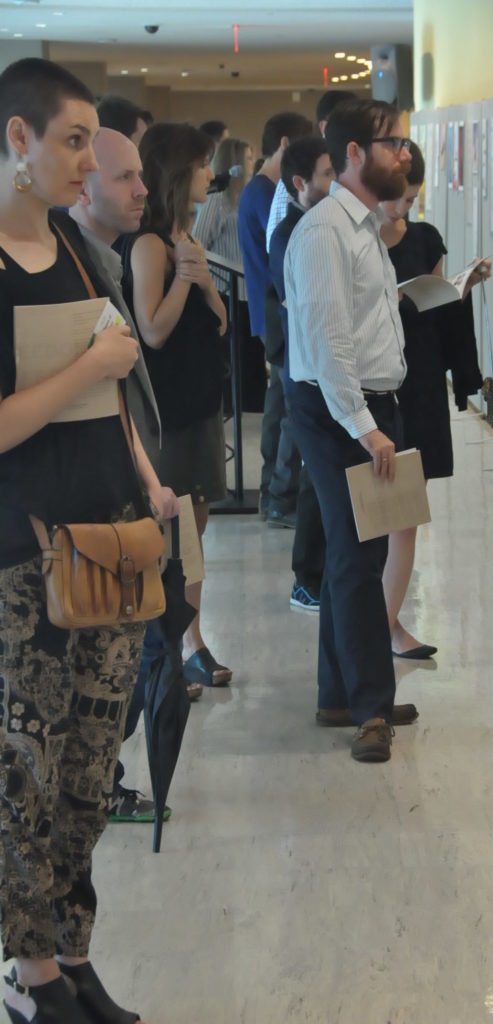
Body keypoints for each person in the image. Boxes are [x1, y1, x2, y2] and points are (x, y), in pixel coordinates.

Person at [0, 57, 150, 1023]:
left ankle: (75, 949)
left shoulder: (78, 249)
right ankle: (30, 974)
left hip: (111, 541)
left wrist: (147, 475)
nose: (87, 160)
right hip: (21, 558)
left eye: (92, 138)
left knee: (92, 774)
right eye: (72, 139)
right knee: (27, 777)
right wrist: (94, 361)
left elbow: (114, 387)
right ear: (18, 139)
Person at [284, 98, 419, 764]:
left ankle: (339, 692)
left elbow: (362, 321)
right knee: (359, 560)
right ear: (358, 153)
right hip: (339, 409)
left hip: (365, 405)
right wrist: (366, 428)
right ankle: (369, 707)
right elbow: (328, 341)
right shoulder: (325, 231)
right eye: (395, 143)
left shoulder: (363, 225)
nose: (405, 156)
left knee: (356, 552)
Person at [69, 127, 194, 828]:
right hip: (97, 510)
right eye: (124, 178)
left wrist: (149, 479)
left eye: (141, 176)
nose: (142, 190)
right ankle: (97, 784)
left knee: (133, 653)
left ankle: (101, 780)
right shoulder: (75, 269)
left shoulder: (99, 261)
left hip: (132, 493)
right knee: (117, 661)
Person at [119, 122, 232, 689]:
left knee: (196, 526)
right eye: (202, 165)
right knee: (171, 532)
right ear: (178, 173)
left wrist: (204, 280)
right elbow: (153, 331)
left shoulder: (187, 240)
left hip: (202, 404)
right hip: (167, 414)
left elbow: (221, 322)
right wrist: (186, 278)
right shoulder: (147, 245)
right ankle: (167, 647)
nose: (210, 175)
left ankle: (190, 638)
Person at [380, 141, 488, 658]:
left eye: (412, 200)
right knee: (382, 510)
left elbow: (439, 306)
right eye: (398, 201)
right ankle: (379, 627)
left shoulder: (425, 238)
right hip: (380, 380)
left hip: (420, 376)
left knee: (409, 511)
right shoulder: (355, 243)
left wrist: (461, 285)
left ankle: (389, 623)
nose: (405, 211)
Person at [269, 137, 335, 611]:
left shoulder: (318, 225)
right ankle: (306, 578)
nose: (334, 184)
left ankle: (320, 573)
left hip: (322, 367)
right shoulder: (290, 233)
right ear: (300, 182)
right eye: (328, 175)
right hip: (307, 372)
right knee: (315, 475)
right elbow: (298, 303)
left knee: (325, 475)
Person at [237, 111, 312, 524]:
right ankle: (280, 495)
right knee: (289, 411)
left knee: (279, 408)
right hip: (277, 314)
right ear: (285, 145)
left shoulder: (263, 190)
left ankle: (274, 492)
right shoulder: (266, 193)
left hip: (273, 314)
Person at [193, 135, 267, 413]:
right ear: (234, 162)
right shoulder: (217, 199)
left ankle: (250, 403)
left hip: (252, 288)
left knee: (252, 357)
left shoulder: (249, 195)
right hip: (227, 288)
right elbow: (199, 239)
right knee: (235, 357)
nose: (252, 163)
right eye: (248, 157)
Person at [265, 89, 355, 251]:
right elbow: (276, 244)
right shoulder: (299, 165)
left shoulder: (353, 166)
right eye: (348, 125)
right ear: (324, 127)